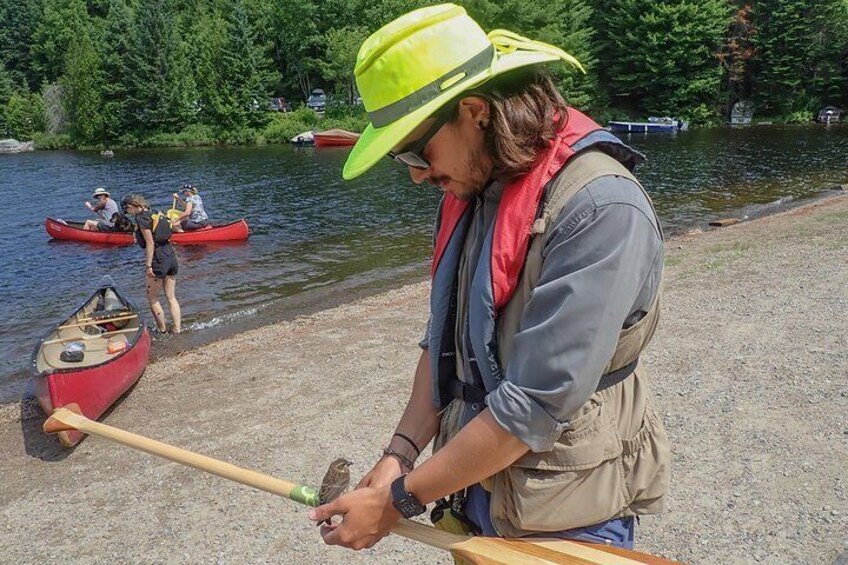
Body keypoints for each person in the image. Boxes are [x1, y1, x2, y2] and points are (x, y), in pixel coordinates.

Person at [307, 3, 670, 553]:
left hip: (567, 507)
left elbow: (533, 405)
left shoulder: (600, 208)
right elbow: (443, 341)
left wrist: (396, 502)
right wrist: (398, 456)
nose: (415, 174)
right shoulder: (474, 185)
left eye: (415, 149)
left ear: (475, 112)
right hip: (473, 483)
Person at [122, 194, 182, 334]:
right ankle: (177, 329)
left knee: (152, 298)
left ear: (130, 207)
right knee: (171, 297)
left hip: (158, 259)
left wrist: (148, 265)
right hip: (171, 255)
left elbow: (150, 243)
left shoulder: (141, 218)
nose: (128, 214)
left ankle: (162, 330)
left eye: (127, 211)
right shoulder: (156, 212)